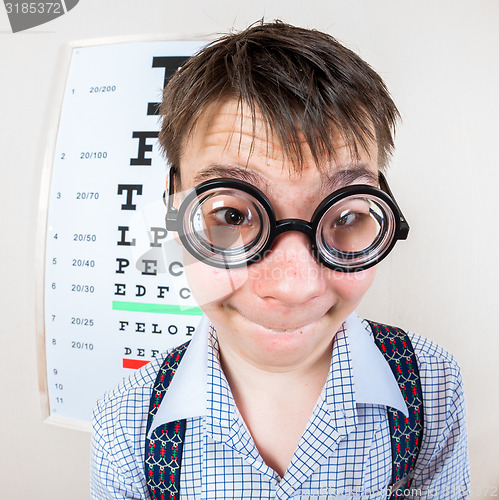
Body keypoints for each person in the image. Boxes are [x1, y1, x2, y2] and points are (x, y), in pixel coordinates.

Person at [91, 21, 469, 499]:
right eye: (231, 213)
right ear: (174, 209)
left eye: (346, 214)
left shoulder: (433, 384)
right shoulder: (124, 424)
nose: (294, 287)